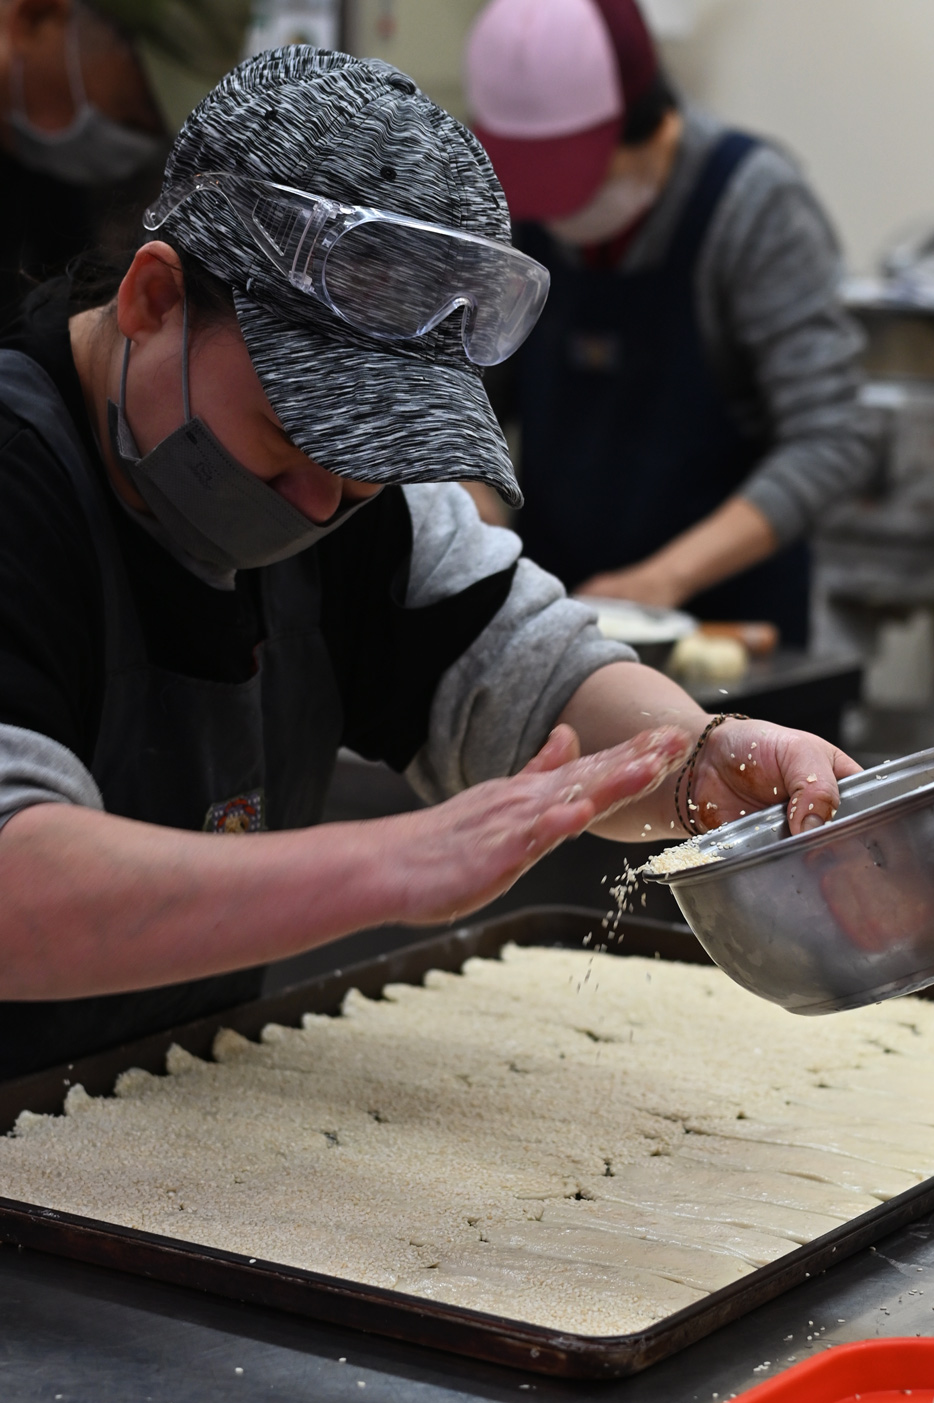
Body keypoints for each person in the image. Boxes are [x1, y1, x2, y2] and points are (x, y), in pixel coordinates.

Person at [0, 46, 857, 1081]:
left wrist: (697, 760)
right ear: (152, 299)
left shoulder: (360, 505)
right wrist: (394, 862)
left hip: (162, 1107)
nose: (322, 505)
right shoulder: (20, 483)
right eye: (285, 443)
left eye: (363, 472)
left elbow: (530, 674)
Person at [464, 0, 879, 645]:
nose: (552, 212)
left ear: (658, 130)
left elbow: (834, 436)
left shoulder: (752, 205)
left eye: (577, 185)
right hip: (557, 620)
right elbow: (467, 391)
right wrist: (471, 492)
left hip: (726, 626)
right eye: (533, 187)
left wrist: (665, 579)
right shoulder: (513, 210)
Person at [0, 0, 250, 324]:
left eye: (158, 137)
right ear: (35, 17)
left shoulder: (57, 190)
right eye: (131, 117)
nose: (133, 150)